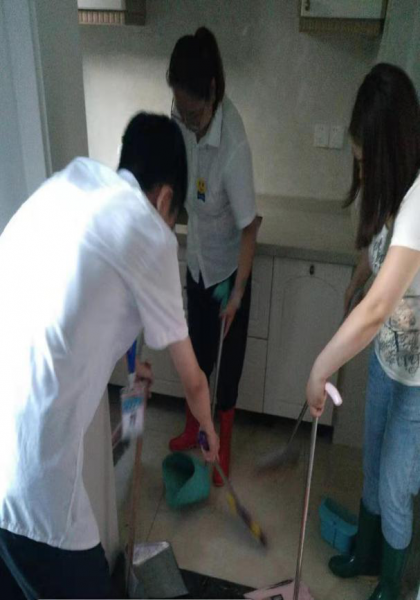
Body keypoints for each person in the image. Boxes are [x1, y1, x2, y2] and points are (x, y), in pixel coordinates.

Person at [0, 112, 219, 600]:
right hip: (29, 482)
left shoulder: (72, 183)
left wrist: (129, 370)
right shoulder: (149, 231)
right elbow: (194, 382)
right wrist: (209, 432)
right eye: (173, 215)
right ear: (166, 199)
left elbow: (76, 301)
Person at [306, 63, 420, 600]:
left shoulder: (419, 200)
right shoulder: (391, 190)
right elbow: (380, 256)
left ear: (390, 150)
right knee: (372, 466)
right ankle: (368, 554)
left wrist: (320, 368)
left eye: (365, 158)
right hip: (386, 359)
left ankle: (391, 586)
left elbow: (379, 309)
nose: (362, 169)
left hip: (418, 380)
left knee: (396, 485)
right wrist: (357, 277)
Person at [166, 27, 259, 486]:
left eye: (193, 113)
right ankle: (193, 428)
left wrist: (238, 293)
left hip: (227, 274)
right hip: (197, 262)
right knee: (196, 354)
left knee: (227, 367)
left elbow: (250, 227)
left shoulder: (233, 146)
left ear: (213, 91)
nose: (185, 120)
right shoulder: (182, 115)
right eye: (179, 111)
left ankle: (224, 442)